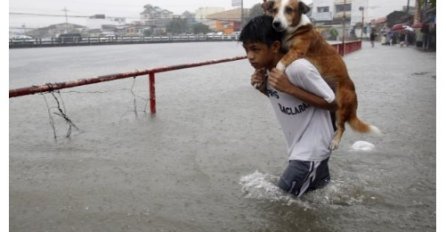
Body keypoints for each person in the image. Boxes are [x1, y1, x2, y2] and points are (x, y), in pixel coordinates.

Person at [239, 15, 337, 197]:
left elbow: (334, 103)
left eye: (255, 49)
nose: (250, 56)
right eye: (246, 50)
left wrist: (290, 88)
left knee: (281, 204)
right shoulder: (270, 72)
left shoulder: (299, 68)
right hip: (302, 149)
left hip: (310, 152)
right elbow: (286, 101)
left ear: (275, 46)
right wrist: (263, 88)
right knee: (319, 201)